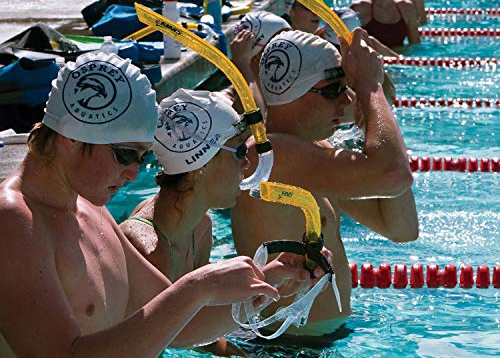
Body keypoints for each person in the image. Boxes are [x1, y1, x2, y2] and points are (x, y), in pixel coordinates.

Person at [0, 51, 314, 357]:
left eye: (142, 157)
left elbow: (182, 328)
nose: (135, 172)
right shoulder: (13, 222)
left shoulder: (91, 209)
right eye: (125, 154)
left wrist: (265, 284)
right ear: (71, 135)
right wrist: (195, 287)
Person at [231, 29, 418, 339]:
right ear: (294, 93)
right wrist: (371, 88)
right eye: (334, 90)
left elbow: (401, 229)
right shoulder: (271, 156)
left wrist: (372, 120)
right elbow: (394, 175)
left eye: (347, 88)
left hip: (312, 343)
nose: (346, 100)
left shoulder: (312, 154)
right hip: (285, 347)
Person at [120, 87, 331, 355]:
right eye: (239, 152)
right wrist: (264, 283)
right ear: (201, 166)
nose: (247, 164)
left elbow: (199, 319)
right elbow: (178, 334)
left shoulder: (200, 225)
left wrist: (277, 275)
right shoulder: (146, 247)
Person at [228, 11, 291, 114]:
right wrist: (242, 62)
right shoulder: (225, 101)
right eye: (280, 46)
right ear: (257, 55)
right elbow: (256, 122)